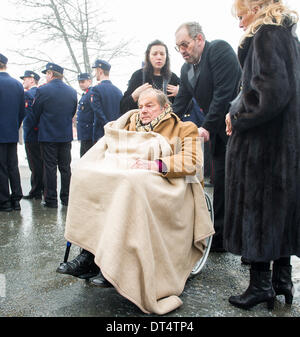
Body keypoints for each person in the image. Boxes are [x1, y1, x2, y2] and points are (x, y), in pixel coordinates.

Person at [56, 88, 214, 315]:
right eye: (140, 106)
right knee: (88, 175)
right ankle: (89, 255)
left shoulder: (183, 128)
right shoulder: (128, 126)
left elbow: (191, 163)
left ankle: (112, 263)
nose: (143, 111)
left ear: (165, 107)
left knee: (130, 184)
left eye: (150, 105)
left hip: (169, 185)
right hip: (130, 178)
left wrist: (156, 164)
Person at [224, 0, 300, 310]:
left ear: (256, 7)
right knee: (278, 211)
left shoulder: (266, 36)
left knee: (258, 209)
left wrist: (238, 115)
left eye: (241, 16)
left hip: (262, 146)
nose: (240, 24)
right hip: (285, 144)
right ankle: (282, 280)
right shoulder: (290, 39)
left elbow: (270, 91)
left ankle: (260, 285)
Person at [173, 22, 242, 252]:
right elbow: (180, 101)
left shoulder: (219, 50)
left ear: (199, 39)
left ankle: (245, 240)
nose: (182, 50)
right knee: (221, 183)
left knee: (241, 184)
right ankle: (221, 237)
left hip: (239, 129)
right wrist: (163, 124)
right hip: (219, 136)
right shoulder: (185, 70)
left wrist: (206, 126)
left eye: (185, 44)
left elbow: (223, 94)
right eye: (178, 47)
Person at [31, 63, 77, 208]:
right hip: (65, 134)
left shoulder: (43, 90)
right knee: (65, 168)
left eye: (47, 73)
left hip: (48, 134)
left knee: (49, 167)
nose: (46, 76)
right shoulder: (71, 91)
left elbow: (36, 111)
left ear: (51, 74)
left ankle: (51, 199)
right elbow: (72, 111)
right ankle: (66, 197)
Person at [120, 40, 180, 114]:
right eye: (154, 54)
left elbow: (187, 108)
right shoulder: (138, 76)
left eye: (162, 54)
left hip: (168, 123)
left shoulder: (172, 77)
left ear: (166, 57)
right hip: (143, 123)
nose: (159, 57)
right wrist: (134, 96)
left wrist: (180, 93)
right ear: (148, 56)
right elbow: (123, 107)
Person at [0, 53, 25, 212]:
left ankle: (4, 201)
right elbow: (22, 111)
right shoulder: (17, 84)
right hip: (11, 131)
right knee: (13, 166)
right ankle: (16, 199)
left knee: (1, 167)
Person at [20, 70, 44, 200]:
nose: (23, 81)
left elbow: (29, 117)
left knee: (34, 164)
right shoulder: (40, 92)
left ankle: (36, 191)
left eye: (25, 79)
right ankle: (41, 189)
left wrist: (30, 130)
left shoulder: (29, 94)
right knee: (40, 163)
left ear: (32, 80)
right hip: (41, 134)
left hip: (32, 134)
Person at [90, 60, 123, 142]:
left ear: (100, 71)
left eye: (96, 71)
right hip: (115, 132)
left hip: (101, 133)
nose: (95, 73)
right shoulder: (118, 91)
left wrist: (107, 125)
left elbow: (98, 111)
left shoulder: (96, 89)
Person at [76, 73, 94, 157]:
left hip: (89, 134)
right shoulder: (85, 95)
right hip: (84, 133)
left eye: (83, 82)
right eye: (79, 82)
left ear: (89, 81)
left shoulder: (91, 94)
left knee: (87, 158)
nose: (80, 84)